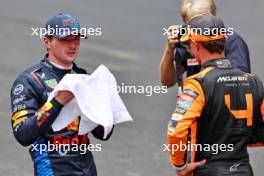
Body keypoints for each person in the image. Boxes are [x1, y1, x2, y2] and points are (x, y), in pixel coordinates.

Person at [10, 13, 113, 176]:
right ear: (47, 42)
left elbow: (102, 134)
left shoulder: (83, 77)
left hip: (87, 169)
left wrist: (105, 106)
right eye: (65, 40)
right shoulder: (29, 80)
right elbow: (23, 134)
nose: (72, 45)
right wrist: (58, 101)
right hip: (52, 169)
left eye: (76, 39)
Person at [167, 15, 264, 176]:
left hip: (207, 169)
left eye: (188, 45)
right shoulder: (253, 81)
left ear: (195, 45)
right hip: (243, 170)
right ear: (224, 42)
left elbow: (176, 130)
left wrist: (180, 165)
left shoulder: (197, 83)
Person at [160, 0, 251, 88]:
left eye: (200, 22)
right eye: (191, 24)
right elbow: (167, 82)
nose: (196, 27)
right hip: (196, 100)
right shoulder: (186, 42)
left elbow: (241, 84)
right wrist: (169, 50)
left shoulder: (233, 41)